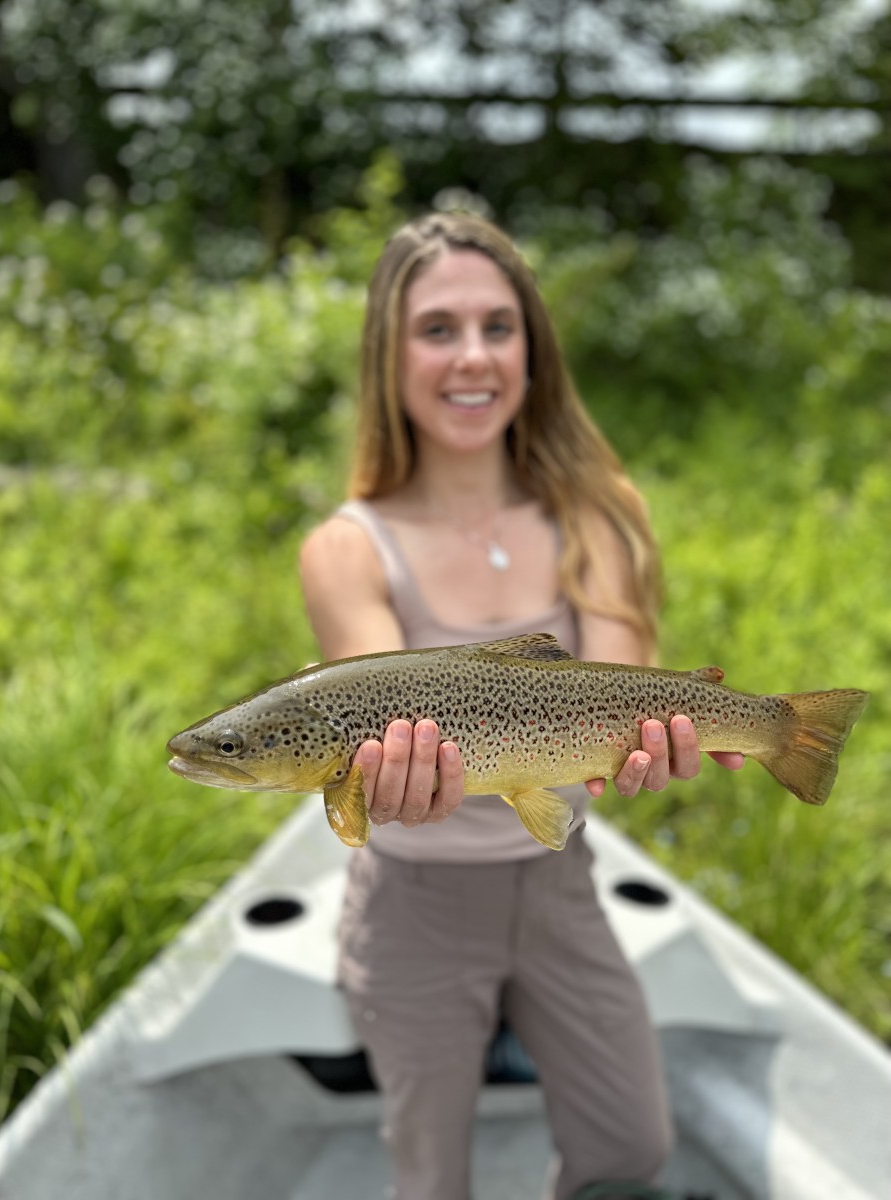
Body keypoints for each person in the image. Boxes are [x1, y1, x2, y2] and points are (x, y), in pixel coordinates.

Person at [299, 212, 743, 1200]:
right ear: (389, 354)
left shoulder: (600, 513)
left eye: (499, 327)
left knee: (631, 1148)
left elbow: (619, 684)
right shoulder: (346, 547)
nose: (473, 357)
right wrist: (394, 776)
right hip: (412, 904)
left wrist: (646, 749)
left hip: (558, 884)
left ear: (533, 351)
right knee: (430, 1178)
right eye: (438, 328)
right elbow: (388, 706)